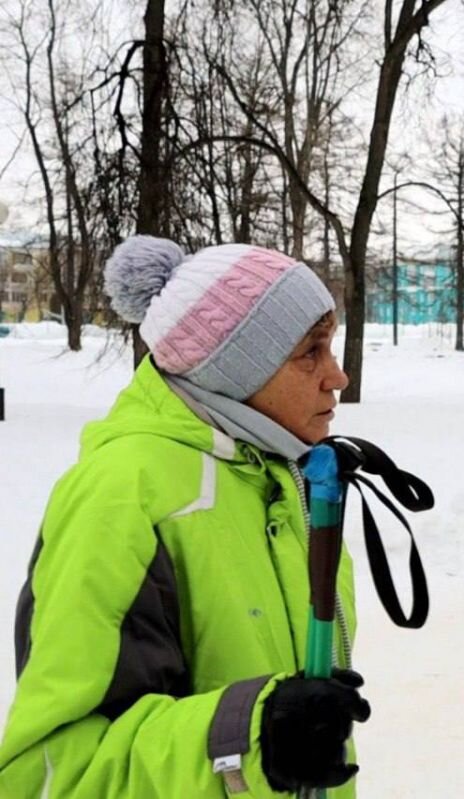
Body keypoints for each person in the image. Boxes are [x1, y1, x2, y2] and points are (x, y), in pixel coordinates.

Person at [1, 237, 370, 797]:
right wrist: (254, 739)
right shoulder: (125, 495)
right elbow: (57, 771)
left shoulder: (285, 481)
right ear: (234, 369)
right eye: (310, 352)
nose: (337, 376)